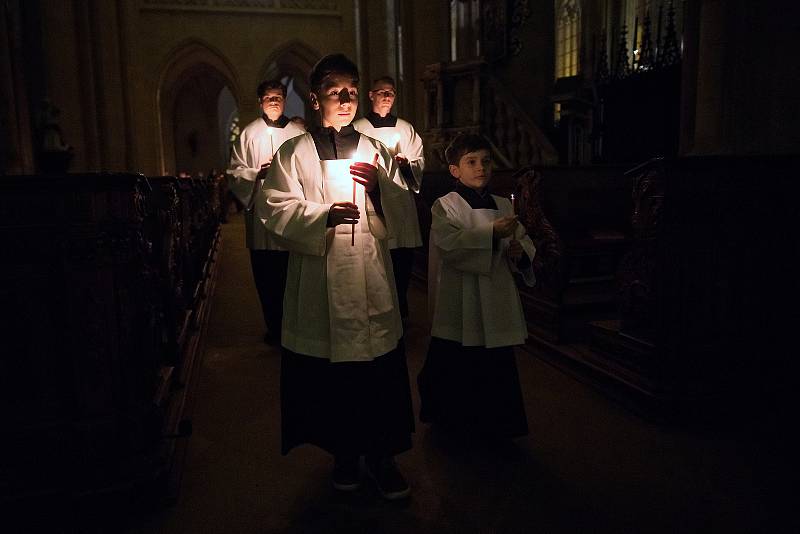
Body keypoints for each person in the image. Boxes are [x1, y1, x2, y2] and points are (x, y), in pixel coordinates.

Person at [258, 54, 414, 500]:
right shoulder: (294, 152)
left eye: (351, 90)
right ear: (314, 98)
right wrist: (322, 217)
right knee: (333, 377)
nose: (345, 100)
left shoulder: (374, 149)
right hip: (320, 273)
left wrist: (380, 192)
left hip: (367, 270)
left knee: (377, 368)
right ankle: (344, 453)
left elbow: (403, 210)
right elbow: (273, 205)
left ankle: (383, 456)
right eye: (334, 91)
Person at [417, 133, 536, 444]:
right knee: (459, 360)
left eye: (486, 161)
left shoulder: (501, 204)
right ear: (455, 170)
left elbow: (523, 241)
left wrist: (519, 254)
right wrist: (490, 234)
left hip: (496, 292)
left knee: (496, 363)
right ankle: (456, 425)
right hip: (461, 294)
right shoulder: (447, 206)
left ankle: (499, 426)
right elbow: (450, 246)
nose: (481, 167)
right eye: (471, 162)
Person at [227, 79, 305, 344]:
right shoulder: (249, 134)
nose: (274, 101)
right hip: (261, 218)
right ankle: (273, 327)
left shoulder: (297, 133)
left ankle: (294, 328)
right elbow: (235, 173)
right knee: (266, 277)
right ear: (260, 101)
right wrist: (255, 172)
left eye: (279, 97)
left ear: (284, 100)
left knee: (291, 275)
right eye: (269, 97)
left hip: (290, 214)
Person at [352, 77, 424, 321]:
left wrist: (407, 166)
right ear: (371, 95)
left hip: (401, 203)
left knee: (402, 262)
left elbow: (418, 164)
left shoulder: (405, 128)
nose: (386, 96)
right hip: (373, 203)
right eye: (381, 92)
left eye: (391, 92)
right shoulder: (358, 127)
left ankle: (401, 312)